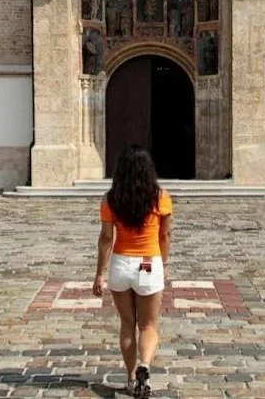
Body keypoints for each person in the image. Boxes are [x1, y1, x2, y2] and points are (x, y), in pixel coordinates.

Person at [92, 144, 173, 397]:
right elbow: (165, 235)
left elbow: (106, 238)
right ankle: (145, 366)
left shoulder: (111, 199)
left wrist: (99, 274)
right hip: (149, 262)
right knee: (148, 325)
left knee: (127, 324)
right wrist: (164, 263)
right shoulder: (161, 197)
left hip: (121, 264)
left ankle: (129, 378)